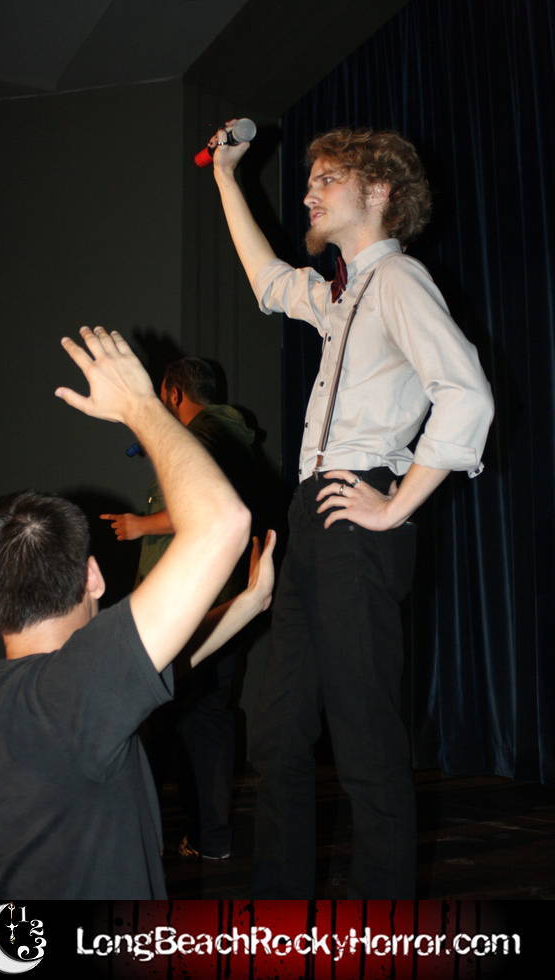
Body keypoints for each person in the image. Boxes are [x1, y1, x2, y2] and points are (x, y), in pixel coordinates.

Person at [208, 123, 494, 898]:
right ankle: (281, 920)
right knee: (278, 736)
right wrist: (227, 177)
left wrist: (396, 503)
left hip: (355, 514)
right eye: (310, 180)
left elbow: (466, 394)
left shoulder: (397, 279)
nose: (309, 192)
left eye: (327, 179)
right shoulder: (343, 295)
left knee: (365, 742)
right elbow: (270, 281)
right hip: (313, 515)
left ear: (380, 191)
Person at [0, 326, 275, 899]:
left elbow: (156, 665)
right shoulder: (76, 689)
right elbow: (224, 521)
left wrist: (246, 605)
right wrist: (140, 406)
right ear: (94, 578)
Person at [100, 356, 262, 861]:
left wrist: (140, 525)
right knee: (203, 719)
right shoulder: (230, 435)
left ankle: (151, 841)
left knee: (168, 718)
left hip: (192, 604)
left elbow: (210, 507)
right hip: (220, 599)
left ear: (173, 394)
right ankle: (209, 837)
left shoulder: (203, 435)